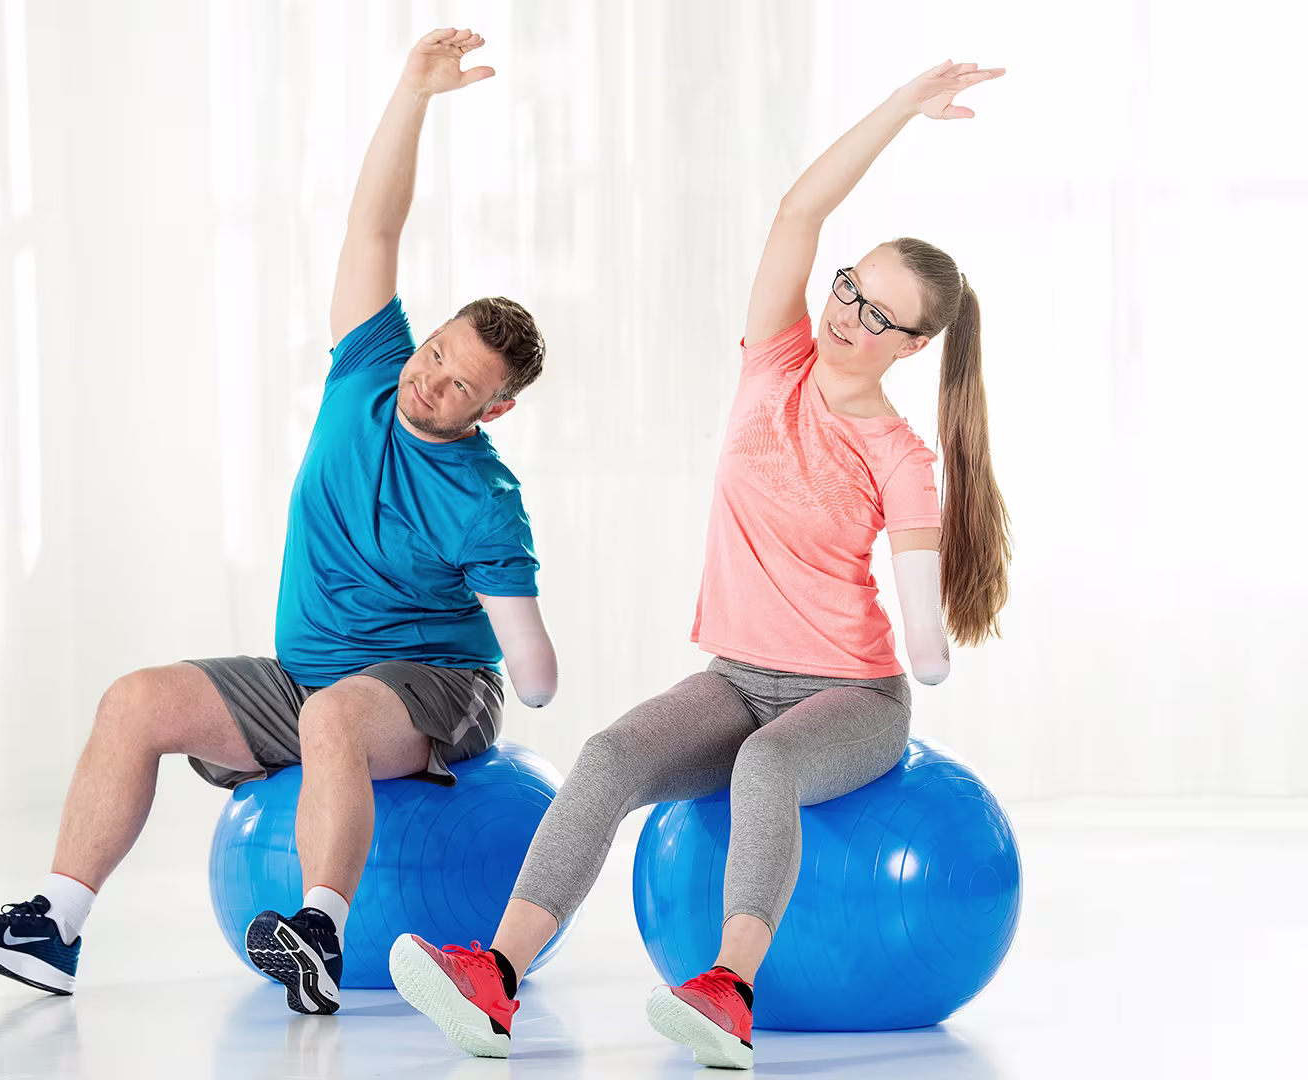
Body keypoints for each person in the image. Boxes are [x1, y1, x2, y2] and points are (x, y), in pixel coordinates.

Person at [389, 60, 1012, 1067]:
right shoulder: (777, 359)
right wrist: (900, 107)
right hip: (736, 675)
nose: (847, 313)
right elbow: (798, 210)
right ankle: (493, 977)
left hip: (852, 697)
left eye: (876, 314)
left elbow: (913, 586)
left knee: (765, 769)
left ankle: (726, 991)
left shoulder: (900, 456)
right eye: (850, 288)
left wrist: (931, 646)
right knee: (608, 758)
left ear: (913, 345)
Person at [0, 27, 559, 1019]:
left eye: (459, 385)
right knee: (134, 700)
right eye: (435, 352)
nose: (429, 380)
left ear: (497, 410)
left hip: (438, 694)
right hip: (313, 679)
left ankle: (316, 930)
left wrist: (521, 642)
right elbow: (372, 230)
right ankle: (53, 927)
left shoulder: (485, 498)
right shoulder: (365, 370)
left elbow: (535, 679)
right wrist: (413, 94)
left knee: (333, 717)